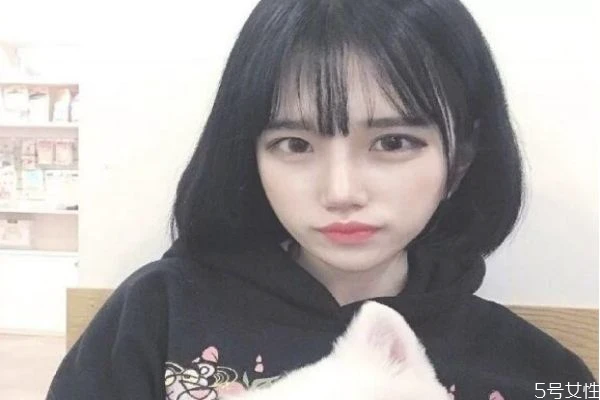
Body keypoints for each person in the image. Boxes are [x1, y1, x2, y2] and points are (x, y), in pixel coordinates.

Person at [46, 0, 596, 399]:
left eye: (393, 142)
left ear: (461, 160)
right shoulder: (158, 315)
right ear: (249, 154)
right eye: (295, 144)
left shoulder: (540, 374)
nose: (341, 192)